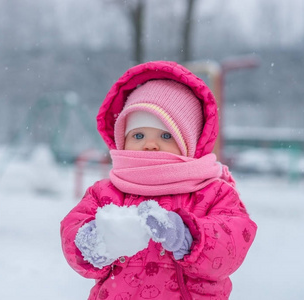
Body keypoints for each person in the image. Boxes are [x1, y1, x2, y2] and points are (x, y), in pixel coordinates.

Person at [60, 61, 257, 300]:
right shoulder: (106, 192)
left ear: (189, 142)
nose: (150, 144)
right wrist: (93, 242)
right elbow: (72, 232)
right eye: (138, 135)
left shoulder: (212, 191)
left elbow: (233, 244)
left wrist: (188, 236)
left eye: (166, 135)